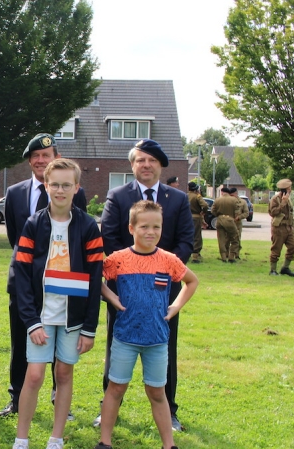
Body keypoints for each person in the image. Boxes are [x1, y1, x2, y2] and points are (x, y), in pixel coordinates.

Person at [98, 139, 193, 432]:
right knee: (116, 347)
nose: (146, 165)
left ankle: (170, 410)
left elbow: (186, 241)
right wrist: (130, 269)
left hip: (164, 291)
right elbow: (109, 237)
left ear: (161, 165)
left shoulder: (178, 199)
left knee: (166, 348)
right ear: (132, 165)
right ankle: (109, 409)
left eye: (152, 160)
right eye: (141, 160)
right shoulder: (117, 196)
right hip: (124, 290)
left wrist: (161, 269)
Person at [12, 158, 103, 449]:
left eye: (66, 185)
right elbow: (22, 276)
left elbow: (95, 278)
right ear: (46, 186)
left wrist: (89, 328)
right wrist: (31, 321)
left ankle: (56, 437)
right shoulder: (33, 224)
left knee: (63, 373)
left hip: (72, 317)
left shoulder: (88, 226)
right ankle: (21, 438)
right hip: (41, 315)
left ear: (76, 187)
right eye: (55, 185)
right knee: (35, 375)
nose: (60, 190)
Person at [94, 200, 199, 449]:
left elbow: (192, 281)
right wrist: (112, 297)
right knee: (115, 388)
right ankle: (105, 442)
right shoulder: (118, 259)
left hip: (157, 340)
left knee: (157, 392)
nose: (150, 232)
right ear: (131, 228)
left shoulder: (169, 260)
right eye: (144, 227)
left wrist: (175, 307)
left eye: (156, 227)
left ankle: (168, 444)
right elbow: (94, 277)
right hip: (125, 338)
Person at [0, 133, 76, 418]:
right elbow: (14, 238)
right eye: (36, 156)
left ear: (56, 158)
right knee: (20, 340)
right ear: (30, 161)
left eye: (46, 155)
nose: (41, 160)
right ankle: (16, 397)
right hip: (23, 282)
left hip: (61, 281)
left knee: (59, 344)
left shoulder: (72, 192)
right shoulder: (15, 192)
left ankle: (59, 398)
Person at [269, 179, 294, 277]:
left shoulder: (288, 199)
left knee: (293, 248)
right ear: (285, 189)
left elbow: (290, 214)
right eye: (289, 188)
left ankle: (285, 268)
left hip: (288, 227)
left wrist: (292, 226)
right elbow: (273, 212)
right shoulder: (275, 199)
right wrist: (282, 204)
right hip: (278, 228)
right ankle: (273, 270)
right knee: (276, 249)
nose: (291, 189)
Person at [211, 188, 239, 263]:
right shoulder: (234, 200)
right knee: (235, 239)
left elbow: (213, 211)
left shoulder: (217, 200)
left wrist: (218, 215)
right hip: (230, 220)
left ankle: (223, 257)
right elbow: (237, 211)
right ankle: (231, 257)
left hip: (219, 220)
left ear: (222, 192)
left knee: (221, 240)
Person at [187, 182, 208, 263]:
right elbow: (205, 205)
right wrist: (203, 212)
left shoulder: (185, 196)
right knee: (196, 236)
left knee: (187, 235)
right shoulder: (197, 196)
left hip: (186, 217)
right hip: (196, 217)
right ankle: (195, 256)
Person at [229, 188, 249, 260]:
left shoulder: (242, 202)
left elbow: (246, 213)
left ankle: (236, 254)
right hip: (228, 222)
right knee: (227, 239)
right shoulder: (228, 201)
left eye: (232, 195)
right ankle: (227, 254)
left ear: (236, 193)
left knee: (237, 238)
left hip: (237, 223)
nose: (231, 197)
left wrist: (239, 217)